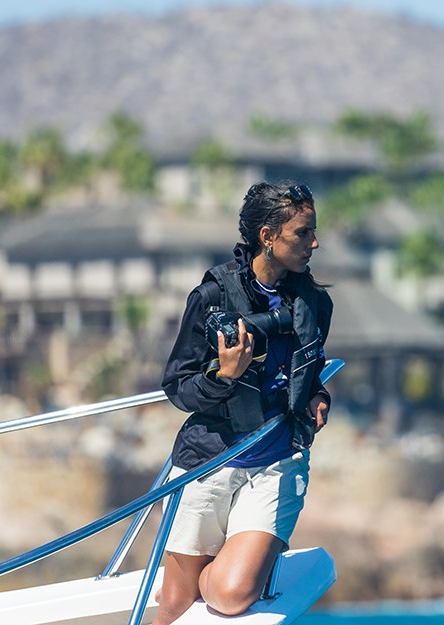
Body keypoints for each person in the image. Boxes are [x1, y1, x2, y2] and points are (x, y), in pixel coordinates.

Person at [153, 181, 332, 625]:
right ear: (268, 237)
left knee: (231, 595)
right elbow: (177, 386)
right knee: (175, 606)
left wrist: (318, 394)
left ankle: (220, 568)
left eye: (313, 232)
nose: (315, 242)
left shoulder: (315, 303)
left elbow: (312, 366)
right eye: (302, 233)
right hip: (208, 458)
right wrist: (223, 376)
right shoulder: (211, 297)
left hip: (276, 461)